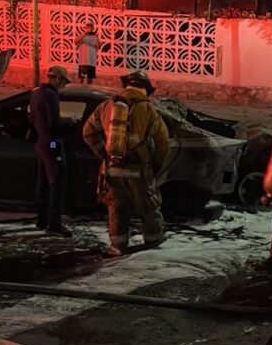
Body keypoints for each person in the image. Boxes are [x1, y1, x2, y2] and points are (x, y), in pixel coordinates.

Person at [83, 70, 170, 257]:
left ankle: (118, 247)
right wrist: (156, 167)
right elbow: (163, 144)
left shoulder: (107, 105)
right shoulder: (148, 109)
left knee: (116, 208)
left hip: (112, 168)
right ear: (146, 89)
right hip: (140, 170)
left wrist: (102, 152)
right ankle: (153, 244)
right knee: (149, 207)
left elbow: (88, 132)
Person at [29, 65, 73, 236]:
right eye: (64, 83)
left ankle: (42, 219)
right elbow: (54, 123)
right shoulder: (50, 95)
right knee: (57, 181)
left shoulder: (36, 93)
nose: (64, 86)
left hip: (41, 142)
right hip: (52, 144)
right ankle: (54, 225)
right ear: (59, 79)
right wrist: (70, 123)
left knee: (44, 182)